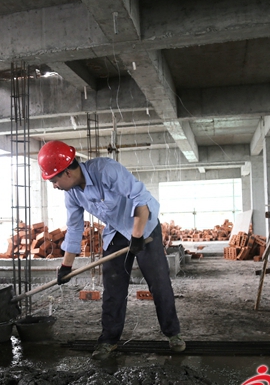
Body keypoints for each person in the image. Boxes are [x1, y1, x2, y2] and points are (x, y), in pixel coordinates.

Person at [38, 140, 185, 360]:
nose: (54, 186)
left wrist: (137, 237)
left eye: (54, 180)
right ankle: (109, 339)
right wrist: (66, 266)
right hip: (116, 231)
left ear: (67, 172)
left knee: (159, 283)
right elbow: (75, 228)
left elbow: (141, 200)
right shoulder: (72, 194)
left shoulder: (106, 170)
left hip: (144, 226)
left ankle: (173, 334)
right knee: (113, 289)